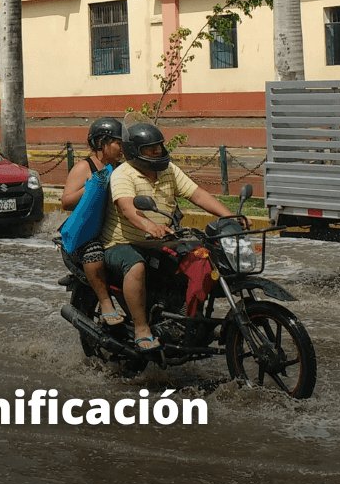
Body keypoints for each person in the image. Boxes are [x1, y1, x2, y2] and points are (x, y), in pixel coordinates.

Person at [101, 122, 234, 352]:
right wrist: (150, 226)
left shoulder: (168, 170)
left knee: (202, 257)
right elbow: (127, 208)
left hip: (161, 242)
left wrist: (230, 216)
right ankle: (142, 328)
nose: (157, 151)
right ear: (134, 150)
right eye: (150, 148)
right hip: (123, 243)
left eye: (159, 147)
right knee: (136, 266)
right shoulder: (123, 174)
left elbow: (197, 194)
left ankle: (190, 318)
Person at [59, 118, 124, 326]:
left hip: (112, 228)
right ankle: (105, 302)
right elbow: (66, 202)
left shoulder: (121, 168)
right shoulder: (84, 167)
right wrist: (92, 186)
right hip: (86, 236)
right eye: (118, 143)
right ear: (101, 143)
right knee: (94, 252)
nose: (122, 148)